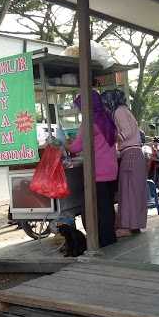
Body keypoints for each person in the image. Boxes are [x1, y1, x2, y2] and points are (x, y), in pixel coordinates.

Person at [66, 91, 118, 248]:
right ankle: (110, 238)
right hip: (111, 169)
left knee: (95, 208)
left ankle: (101, 240)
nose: (80, 110)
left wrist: (61, 144)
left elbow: (76, 147)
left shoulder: (89, 122)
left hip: (98, 171)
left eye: (81, 106)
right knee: (107, 206)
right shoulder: (107, 118)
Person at [101, 89, 147, 238]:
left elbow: (127, 131)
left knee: (128, 192)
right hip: (134, 154)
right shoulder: (125, 110)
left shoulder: (119, 111)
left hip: (131, 154)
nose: (105, 107)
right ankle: (134, 226)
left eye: (105, 103)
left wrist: (112, 139)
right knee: (133, 192)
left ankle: (127, 227)